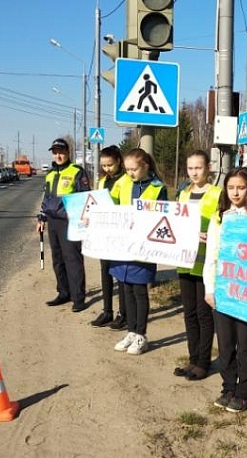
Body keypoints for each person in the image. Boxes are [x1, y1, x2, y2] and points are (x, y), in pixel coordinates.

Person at [204, 167, 247, 413]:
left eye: (240, 187)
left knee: (245, 343)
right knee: (226, 342)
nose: (235, 192)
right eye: (231, 187)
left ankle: (244, 391)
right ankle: (228, 387)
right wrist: (209, 288)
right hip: (222, 289)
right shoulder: (219, 216)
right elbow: (211, 255)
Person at [110, 148, 168, 355]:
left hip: (144, 248)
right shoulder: (123, 182)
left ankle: (141, 335)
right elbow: (110, 205)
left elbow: (164, 217)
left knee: (139, 292)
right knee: (126, 290)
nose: (130, 173)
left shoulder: (157, 188)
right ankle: (131, 332)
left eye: (134, 169)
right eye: (127, 170)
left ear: (145, 166)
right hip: (123, 247)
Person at [173, 150, 223, 381]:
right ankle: (192, 360)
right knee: (189, 312)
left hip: (206, 260)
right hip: (185, 259)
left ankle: (204, 362)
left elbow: (222, 225)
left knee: (204, 313)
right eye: (190, 168)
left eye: (198, 168)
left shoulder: (217, 194)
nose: (194, 172)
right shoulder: (183, 194)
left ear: (208, 168)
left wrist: (210, 233)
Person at [35, 138, 91, 313]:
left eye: (61, 152)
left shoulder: (77, 172)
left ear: (68, 152)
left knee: (72, 260)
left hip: (70, 222)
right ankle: (63, 292)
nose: (58, 155)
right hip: (52, 221)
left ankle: (78, 298)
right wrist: (41, 218)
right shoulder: (50, 173)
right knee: (58, 260)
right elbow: (47, 198)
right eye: (55, 152)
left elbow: (85, 197)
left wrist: (84, 219)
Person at [90, 145, 128, 328]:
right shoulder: (102, 181)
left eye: (110, 165)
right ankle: (107, 311)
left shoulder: (126, 181)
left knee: (120, 274)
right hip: (103, 234)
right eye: (104, 165)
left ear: (119, 161)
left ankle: (123, 313)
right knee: (105, 272)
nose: (107, 169)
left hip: (119, 233)